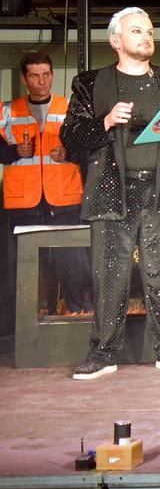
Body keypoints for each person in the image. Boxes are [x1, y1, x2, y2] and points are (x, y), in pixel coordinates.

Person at [61, 7, 160, 379]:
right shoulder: (90, 82)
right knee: (110, 275)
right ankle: (103, 354)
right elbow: (71, 137)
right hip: (113, 189)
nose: (146, 37)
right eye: (137, 31)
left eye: (150, 31)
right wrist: (106, 121)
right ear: (116, 40)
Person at [1, 52, 91, 314]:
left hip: (65, 201)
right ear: (24, 79)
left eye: (46, 75)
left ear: (52, 75)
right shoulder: (6, 111)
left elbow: (90, 148)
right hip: (23, 204)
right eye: (34, 76)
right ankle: (26, 324)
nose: (41, 82)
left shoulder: (70, 108)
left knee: (74, 265)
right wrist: (13, 151)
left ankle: (80, 316)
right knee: (27, 267)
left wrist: (69, 153)